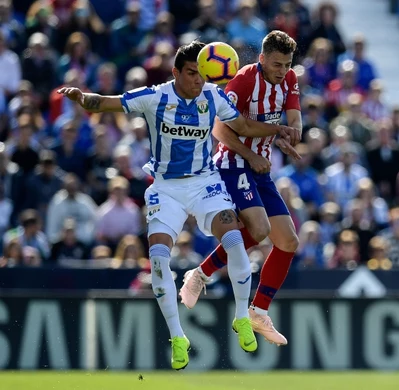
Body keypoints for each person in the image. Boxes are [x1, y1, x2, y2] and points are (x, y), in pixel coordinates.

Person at [57, 40, 300, 369]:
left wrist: (279, 129)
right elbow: (106, 103)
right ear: (175, 73)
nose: (198, 81)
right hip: (166, 188)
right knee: (158, 262)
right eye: (191, 74)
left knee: (239, 242)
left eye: (201, 74)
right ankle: (178, 336)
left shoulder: (212, 95)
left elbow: (241, 126)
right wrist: (83, 99)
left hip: (205, 183)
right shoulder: (155, 97)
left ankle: (243, 316)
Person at [180, 30, 302, 347]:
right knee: (259, 229)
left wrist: (290, 136)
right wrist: (250, 152)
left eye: (287, 64)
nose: (282, 70)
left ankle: (259, 312)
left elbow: (294, 119)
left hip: (260, 168)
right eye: (276, 64)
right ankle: (201, 274)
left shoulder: (289, 79)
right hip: (234, 162)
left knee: (288, 241)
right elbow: (221, 128)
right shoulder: (244, 81)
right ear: (262, 59)